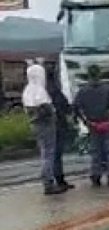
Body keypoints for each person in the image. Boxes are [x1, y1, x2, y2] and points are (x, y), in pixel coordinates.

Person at [73, 64, 109, 187]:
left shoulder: (82, 91)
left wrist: (84, 120)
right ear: (99, 74)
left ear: (88, 75)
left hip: (92, 124)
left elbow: (76, 107)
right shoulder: (108, 88)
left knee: (95, 151)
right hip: (106, 122)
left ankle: (95, 176)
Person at [22, 63, 67, 195]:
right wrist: (52, 112)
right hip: (46, 125)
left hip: (35, 126)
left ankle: (48, 181)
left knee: (44, 152)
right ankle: (48, 183)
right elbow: (46, 109)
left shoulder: (27, 90)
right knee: (49, 154)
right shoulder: (40, 90)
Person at [45, 64, 75, 190]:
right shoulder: (55, 91)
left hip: (46, 126)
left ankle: (53, 180)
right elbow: (66, 107)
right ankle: (58, 180)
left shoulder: (42, 89)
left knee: (49, 154)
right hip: (58, 125)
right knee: (56, 154)